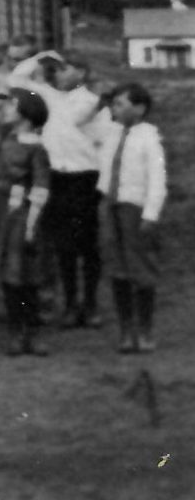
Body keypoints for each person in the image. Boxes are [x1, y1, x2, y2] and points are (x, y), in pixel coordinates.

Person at [14, 50, 105, 329]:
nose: (59, 74)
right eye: (57, 69)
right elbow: (16, 79)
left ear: (81, 72)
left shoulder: (94, 103)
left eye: (66, 69)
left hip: (85, 178)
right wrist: (42, 57)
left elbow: (104, 142)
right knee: (62, 244)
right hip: (56, 177)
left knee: (88, 243)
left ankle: (90, 304)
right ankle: (70, 302)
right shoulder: (47, 97)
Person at [0, 86, 52, 357]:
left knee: (26, 275)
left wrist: (31, 223)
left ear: (26, 114)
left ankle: (33, 333)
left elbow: (41, 188)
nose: (6, 110)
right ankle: (16, 332)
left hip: (21, 215)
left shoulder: (36, 148)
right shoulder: (5, 135)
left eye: (12, 106)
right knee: (8, 275)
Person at [99, 83, 166, 354]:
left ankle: (145, 329)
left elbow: (157, 180)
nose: (115, 109)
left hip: (135, 208)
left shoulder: (149, 138)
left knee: (140, 268)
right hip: (111, 205)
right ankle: (126, 330)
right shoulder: (112, 133)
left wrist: (150, 214)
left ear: (139, 108)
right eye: (113, 104)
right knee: (118, 268)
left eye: (121, 104)